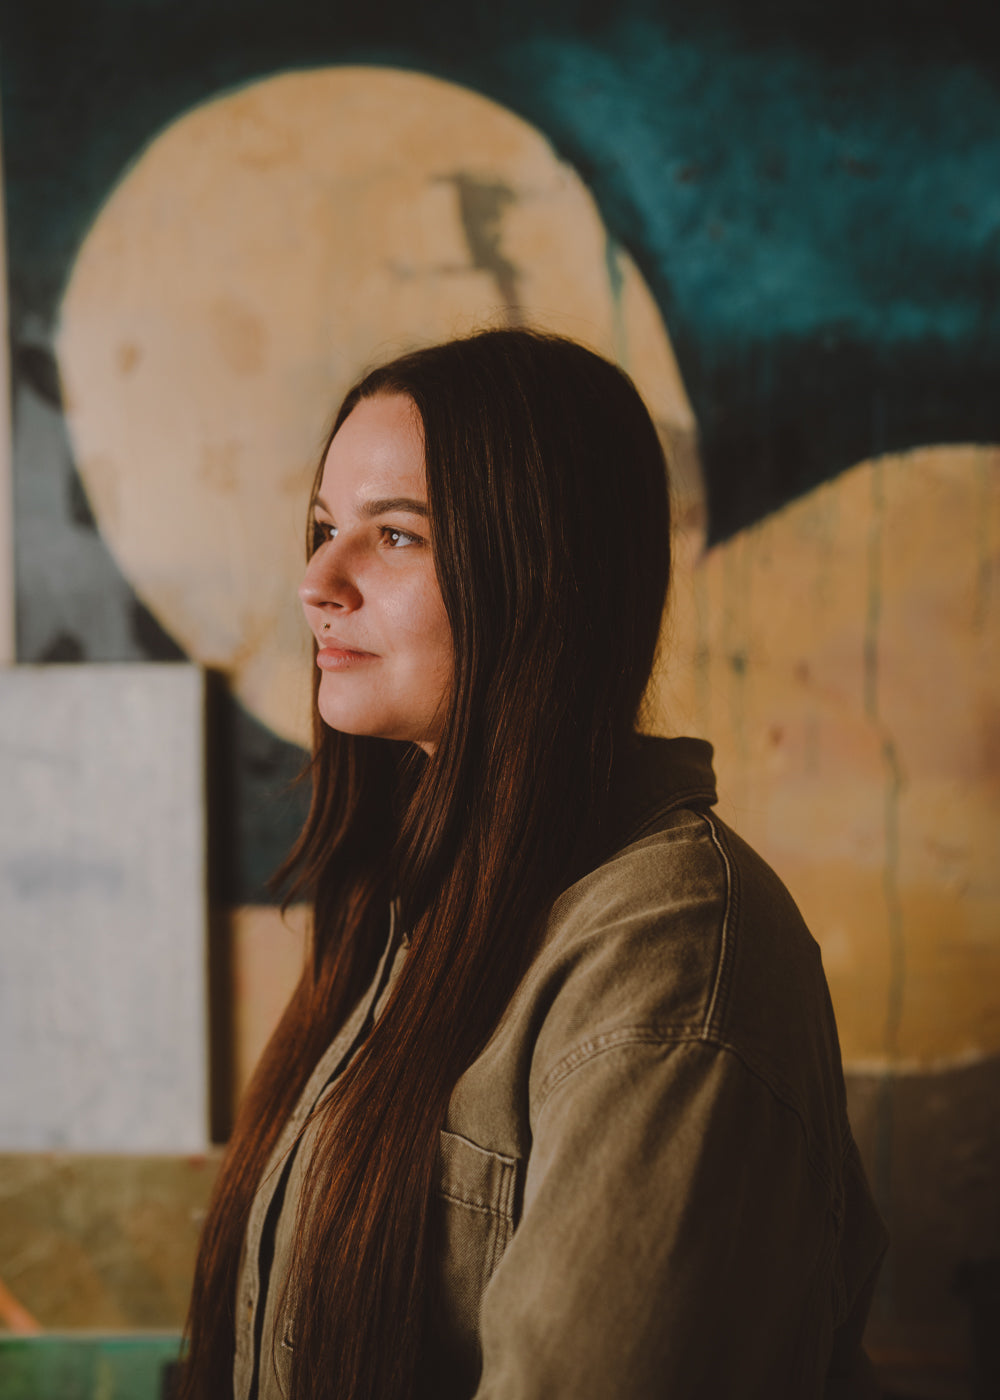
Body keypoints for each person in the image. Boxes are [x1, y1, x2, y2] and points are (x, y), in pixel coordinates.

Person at [181, 328, 888, 1400]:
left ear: (543, 566)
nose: (317, 580)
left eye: (397, 536)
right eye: (324, 527)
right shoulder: (408, 900)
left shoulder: (669, 959)